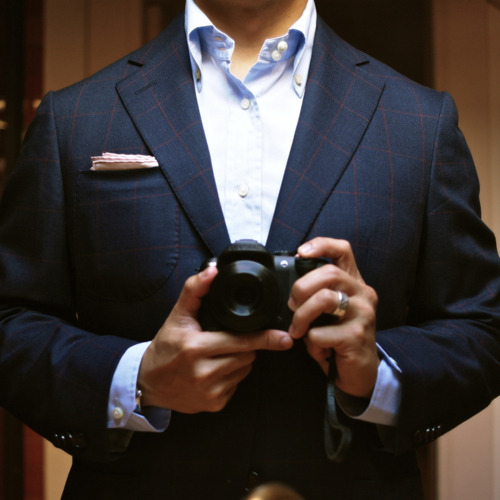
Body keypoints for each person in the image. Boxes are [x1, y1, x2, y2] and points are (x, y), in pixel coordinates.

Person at [0, 0, 499, 498]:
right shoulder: (75, 118)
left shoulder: (419, 122)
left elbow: (483, 328)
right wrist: (137, 380)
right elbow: (11, 319)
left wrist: (378, 373)